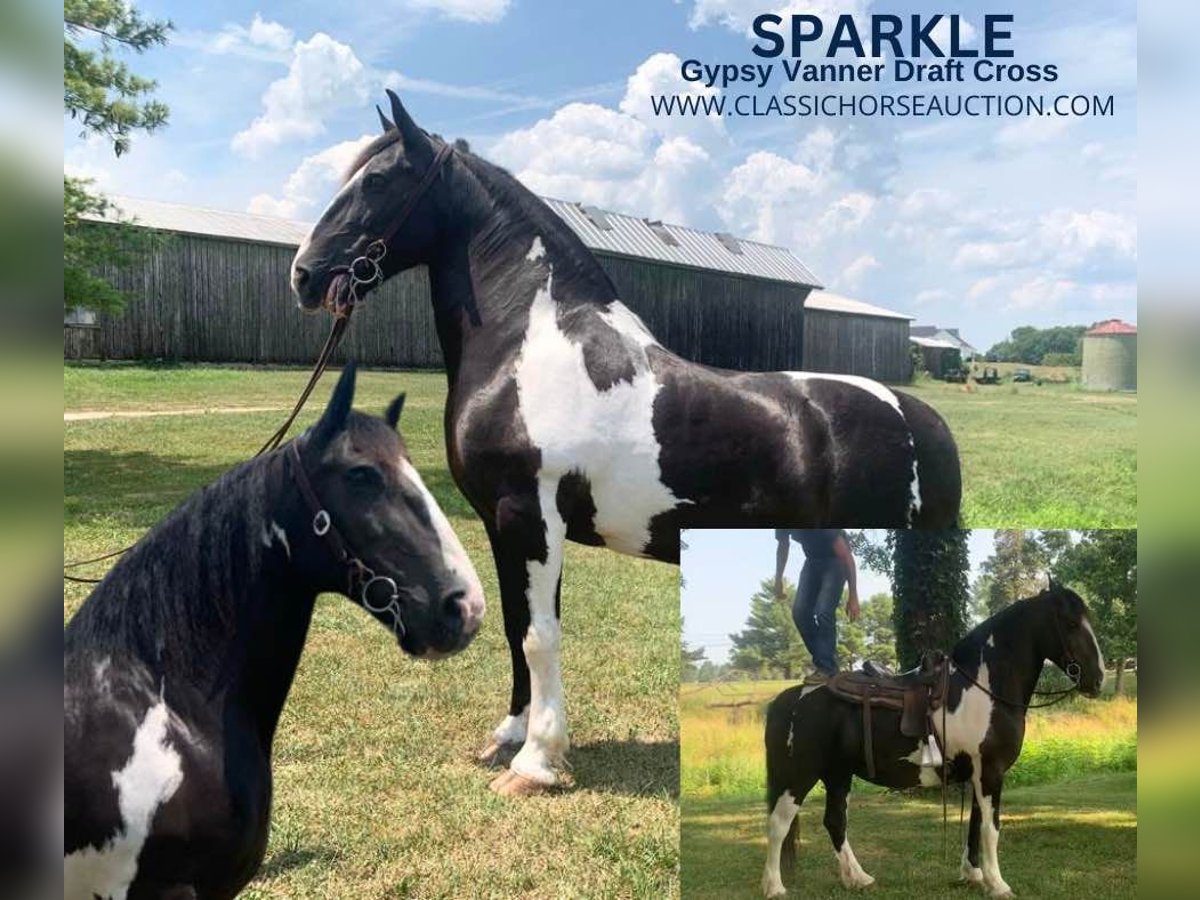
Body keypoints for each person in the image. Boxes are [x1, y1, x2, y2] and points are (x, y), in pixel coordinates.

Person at [773, 529, 859, 680]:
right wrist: (778, 579)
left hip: (836, 561)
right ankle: (825, 662)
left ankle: (827, 668)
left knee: (823, 611)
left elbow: (846, 557)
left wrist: (853, 595)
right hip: (812, 561)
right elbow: (783, 545)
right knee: (800, 613)